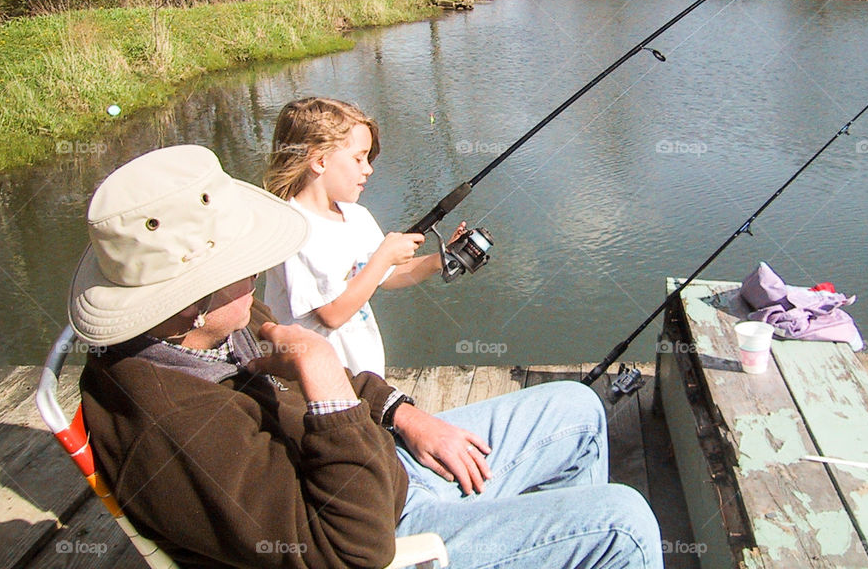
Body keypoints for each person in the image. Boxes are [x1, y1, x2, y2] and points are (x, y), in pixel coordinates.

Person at [70, 144, 663, 569]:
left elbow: (288, 357)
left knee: (580, 410)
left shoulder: (202, 332)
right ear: (187, 301)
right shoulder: (174, 427)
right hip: (388, 530)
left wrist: (405, 414)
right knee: (624, 525)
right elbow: (346, 550)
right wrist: (321, 369)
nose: (255, 273)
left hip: (385, 460)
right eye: (240, 267)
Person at [263, 97, 464, 377]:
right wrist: (383, 258)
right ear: (319, 161)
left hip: (361, 374)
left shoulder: (355, 215)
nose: (368, 169)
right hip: (313, 383)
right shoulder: (295, 229)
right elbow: (331, 314)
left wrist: (440, 259)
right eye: (359, 158)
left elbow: (386, 276)